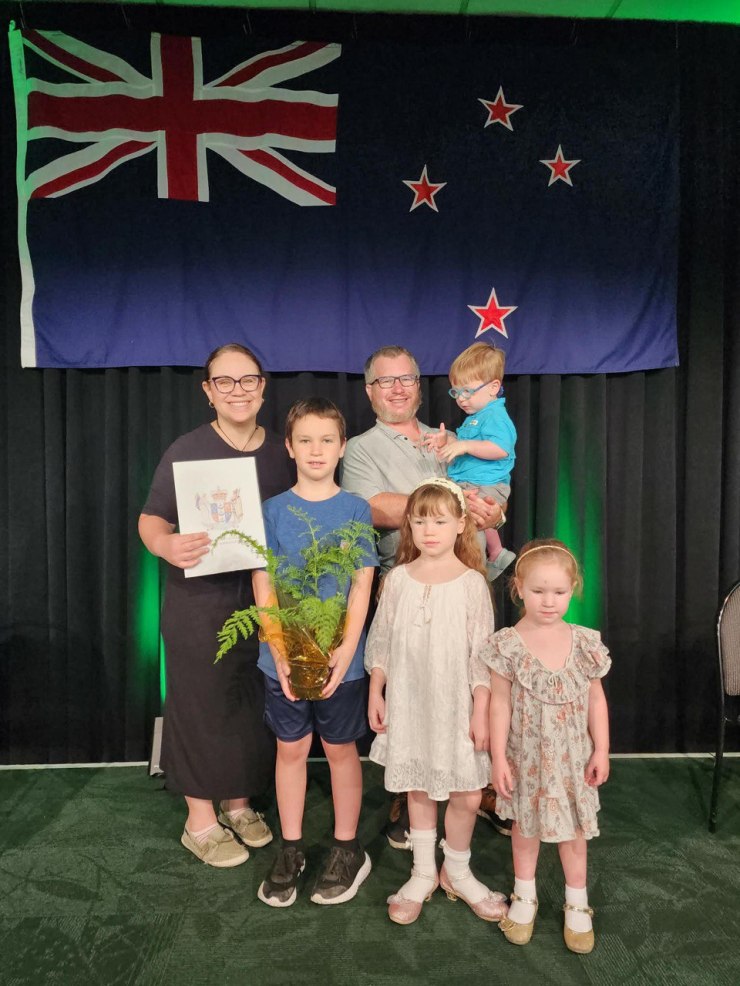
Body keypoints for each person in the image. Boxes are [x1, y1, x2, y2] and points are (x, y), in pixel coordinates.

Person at [341, 345, 511, 846]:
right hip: (409, 588)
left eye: (406, 379)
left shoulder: (454, 436)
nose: (397, 389)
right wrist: (453, 503)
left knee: (472, 688)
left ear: (419, 386)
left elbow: (494, 486)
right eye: (385, 381)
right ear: (369, 391)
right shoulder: (361, 449)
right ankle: (412, 791)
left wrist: (494, 511)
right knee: (417, 694)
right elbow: (371, 507)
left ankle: (475, 786)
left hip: (470, 582)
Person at [139, 343, 294, 867]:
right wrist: (165, 544)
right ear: (208, 391)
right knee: (199, 703)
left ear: (262, 387)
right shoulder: (186, 449)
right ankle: (199, 819)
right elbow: (151, 518)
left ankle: (238, 803)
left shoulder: (285, 451)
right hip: (198, 600)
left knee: (250, 700)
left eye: (247, 380)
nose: (237, 391)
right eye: (224, 381)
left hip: (265, 599)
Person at [365, 478, 509, 926]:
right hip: (411, 701)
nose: (430, 531)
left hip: (457, 705)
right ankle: (424, 871)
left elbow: (481, 653)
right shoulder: (397, 580)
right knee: (418, 787)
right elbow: (382, 641)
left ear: (461, 524)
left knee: (468, 793)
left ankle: (458, 872)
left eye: (440, 521)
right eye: (421, 521)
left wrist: (480, 708)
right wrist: (376, 688)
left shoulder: (471, 584)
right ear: (409, 524)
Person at [255, 398, 378, 907]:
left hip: (340, 662)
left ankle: (348, 849)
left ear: (342, 446)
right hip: (284, 658)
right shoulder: (272, 510)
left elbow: (362, 584)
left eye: (327, 440)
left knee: (340, 749)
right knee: (290, 749)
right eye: (305, 440)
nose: (316, 450)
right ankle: (291, 848)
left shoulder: (356, 509)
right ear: (289, 447)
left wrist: (347, 649)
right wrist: (280, 651)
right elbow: (264, 586)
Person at [486, 539, 611, 953]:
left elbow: (596, 700)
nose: (549, 600)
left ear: (573, 589)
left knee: (573, 831)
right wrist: (498, 757)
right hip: (526, 759)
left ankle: (577, 902)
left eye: (559, 591)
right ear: (519, 588)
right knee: (525, 827)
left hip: (573, 760)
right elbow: (499, 703)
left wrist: (601, 749)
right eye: (538, 590)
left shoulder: (584, 642)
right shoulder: (506, 644)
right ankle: (524, 896)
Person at [426, 342, 517, 580]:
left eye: (468, 391)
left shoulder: (495, 416)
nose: (461, 399)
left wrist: (465, 445)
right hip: (471, 483)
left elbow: (500, 449)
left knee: (472, 522)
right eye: (456, 392)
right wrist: (447, 441)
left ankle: (480, 565)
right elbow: (466, 447)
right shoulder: (477, 416)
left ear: (494, 387)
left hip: (487, 484)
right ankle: (495, 553)